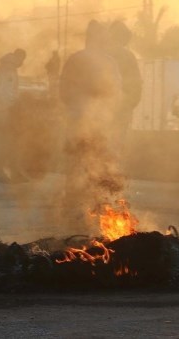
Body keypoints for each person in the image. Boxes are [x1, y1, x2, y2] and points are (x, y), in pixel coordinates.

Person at [58, 20, 123, 229]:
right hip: (97, 121)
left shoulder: (76, 59)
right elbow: (116, 92)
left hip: (81, 119)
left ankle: (76, 208)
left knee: (79, 163)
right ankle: (97, 207)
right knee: (98, 162)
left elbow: (63, 90)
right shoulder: (108, 62)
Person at [0, 49, 27, 184]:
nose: (22, 63)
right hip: (5, 111)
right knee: (7, 143)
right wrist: (15, 105)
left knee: (9, 143)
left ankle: (9, 172)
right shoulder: (8, 69)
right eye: (22, 59)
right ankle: (1, 173)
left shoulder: (5, 67)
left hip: (3, 110)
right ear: (18, 57)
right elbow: (5, 92)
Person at [107, 20, 142, 154]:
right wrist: (130, 104)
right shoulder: (128, 56)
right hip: (122, 108)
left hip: (104, 107)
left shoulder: (103, 53)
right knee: (117, 142)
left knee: (101, 143)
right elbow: (136, 84)